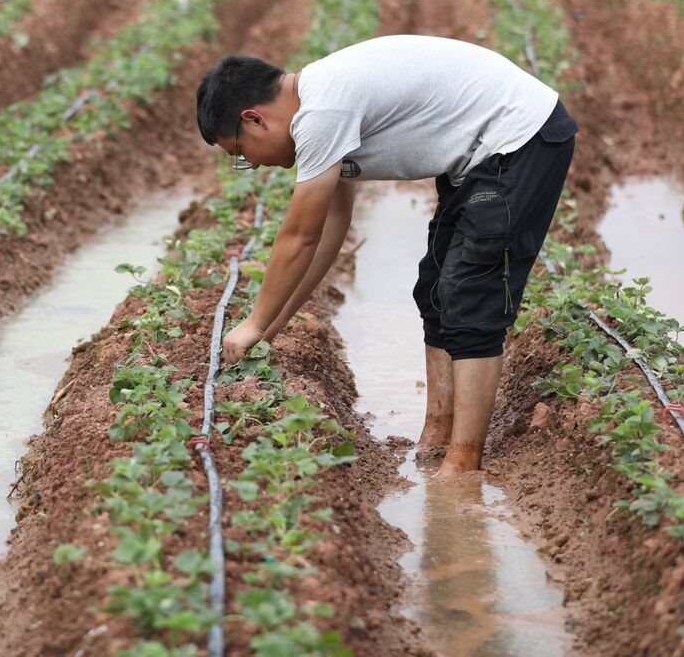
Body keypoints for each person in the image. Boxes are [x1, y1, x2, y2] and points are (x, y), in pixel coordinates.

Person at [195, 34, 577, 477]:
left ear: (254, 119)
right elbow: (326, 234)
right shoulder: (321, 106)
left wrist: (255, 322)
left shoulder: (321, 113)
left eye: (240, 153)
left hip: (519, 140)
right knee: (436, 289)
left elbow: (299, 235)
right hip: (479, 156)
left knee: (471, 294)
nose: (252, 164)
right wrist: (273, 326)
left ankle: (462, 465)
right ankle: (436, 436)